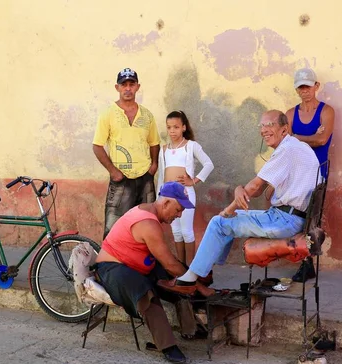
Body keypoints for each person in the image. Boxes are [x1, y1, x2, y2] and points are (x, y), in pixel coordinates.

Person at [157, 110, 319, 295]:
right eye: (262, 125)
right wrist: (241, 191)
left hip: (285, 220)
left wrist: (228, 209)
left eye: (270, 125)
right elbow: (259, 190)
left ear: (284, 129)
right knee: (228, 219)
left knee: (219, 222)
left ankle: (190, 280)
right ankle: (203, 271)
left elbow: (254, 188)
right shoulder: (298, 147)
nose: (264, 130)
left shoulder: (286, 150)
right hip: (290, 216)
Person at [92, 182, 211, 364]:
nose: (179, 215)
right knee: (146, 292)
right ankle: (167, 346)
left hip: (135, 265)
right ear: (166, 203)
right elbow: (170, 264)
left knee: (178, 278)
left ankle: (191, 327)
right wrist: (199, 285)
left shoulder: (150, 212)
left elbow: (170, 264)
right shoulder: (147, 222)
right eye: (178, 210)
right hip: (112, 268)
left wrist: (194, 279)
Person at [93, 68, 160, 239]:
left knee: (147, 224)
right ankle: (109, 264)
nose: (128, 88)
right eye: (124, 85)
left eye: (132, 84)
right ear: (117, 87)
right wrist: (113, 172)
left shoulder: (147, 115)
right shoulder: (108, 114)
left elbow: (154, 142)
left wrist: (153, 166)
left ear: (138, 87)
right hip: (120, 179)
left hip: (145, 177)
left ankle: (143, 264)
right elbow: (97, 146)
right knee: (113, 227)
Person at [286, 67, 335, 282]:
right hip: (296, 174)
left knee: (311, 220)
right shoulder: (290, 114)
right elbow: (285, 145)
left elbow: (322, 141)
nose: (305, 90)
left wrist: (295, 137)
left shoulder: (326, 111)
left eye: (308, 86)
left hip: (317, 173)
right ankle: (303, 262)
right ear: (297, 90)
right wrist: (310, 137)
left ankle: (307, 263)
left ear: (316, 86)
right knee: (295, 217)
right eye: (301, 87)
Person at [157, 110, 214, 265]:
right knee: (176, 232)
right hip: (168, 196)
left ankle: (191, 267)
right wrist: (159, 197)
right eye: (169, 127)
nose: (172, 131)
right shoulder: (164, 150)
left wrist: (194, 181)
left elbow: (209, 164)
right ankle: (180, 267)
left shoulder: (191, 146)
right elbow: (162, 176)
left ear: (183, 127)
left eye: (176, 127)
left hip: (185, 194)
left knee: (187, 232)